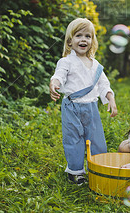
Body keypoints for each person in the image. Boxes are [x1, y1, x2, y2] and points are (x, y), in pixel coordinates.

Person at [49, 18, 118, 185]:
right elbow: (59, 75)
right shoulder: (66, 62)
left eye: (88, 36)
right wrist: (54, 84)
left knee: (97, 140)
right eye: (78, 35)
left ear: (92, 41)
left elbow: (103, 84)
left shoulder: (96, 65)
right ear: (70, 41)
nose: (83, 40)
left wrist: (110, 98)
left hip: (91, 108)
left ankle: (97, 169)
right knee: (74, 140)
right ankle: (75, 172)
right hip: (72, 107)